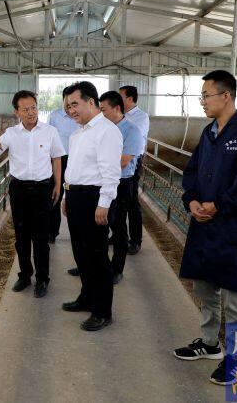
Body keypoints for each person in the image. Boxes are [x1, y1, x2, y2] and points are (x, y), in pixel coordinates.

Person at [172, 70, 237, 386]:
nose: (202, 102)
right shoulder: (209, 133)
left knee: (233, 296)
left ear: (225, 96)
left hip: (236, 227)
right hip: (206, 225)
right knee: (204, 286)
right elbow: (192, 172)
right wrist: (191, 200)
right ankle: (209, 343)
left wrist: (219, 205)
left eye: (206, 95)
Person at [0, 90, 65, 298]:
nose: (31, 112)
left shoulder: (50, 131)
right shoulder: (11, 133)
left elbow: (57, 158)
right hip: (19, 188)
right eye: (25, 109)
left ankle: (42, 279)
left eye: (33, 108)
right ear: (17, 112)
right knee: (21, 235)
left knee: (41, 237)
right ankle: (24, 275)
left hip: (42, 189)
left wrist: (58, 184)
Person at [60, 82, 122, 331]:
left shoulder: (106, 131)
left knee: (97, 256)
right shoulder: (78, 133)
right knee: (80, 252)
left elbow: (111, 172)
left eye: (75, 104)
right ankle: (87, 297)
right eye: (68, 106)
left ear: (91, 102)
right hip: (75, 196)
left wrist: (104, 204)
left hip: (94, 198)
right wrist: (66, 196)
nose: (71, 110)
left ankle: (103, 311)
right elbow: (73, 169)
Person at [99, 91, 145, 285]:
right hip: (101, 181)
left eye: (104, 110)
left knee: (118, 226)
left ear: (117, 108)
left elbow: (124, 161)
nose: (101, 114)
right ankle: (97, 265)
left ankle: (117, 268)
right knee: (100, 225)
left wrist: (96, 166)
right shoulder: (103, 128)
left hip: (122, 183)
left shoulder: (132, 130)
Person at [47, 86, 82, 244]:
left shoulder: (80, 116)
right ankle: (52, 232)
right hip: (58, 159)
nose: (70, 107)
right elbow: (48, 138)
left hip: (77, 160)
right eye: (68, 102)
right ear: (63, 100)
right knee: (55, 194)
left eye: (74, 103)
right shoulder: (54, 116)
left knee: (75, 196)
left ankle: (78, 232)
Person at [119, 85, 149, 255]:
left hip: (133, 161)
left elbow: (132, 139)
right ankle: (119, 235)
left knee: (131, 201)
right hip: (118, 161)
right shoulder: (119, 115)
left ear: (130, 99)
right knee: (119, 201)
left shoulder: (141, 117)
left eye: (121, 97)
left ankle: (135, 240)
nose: (118, 100)